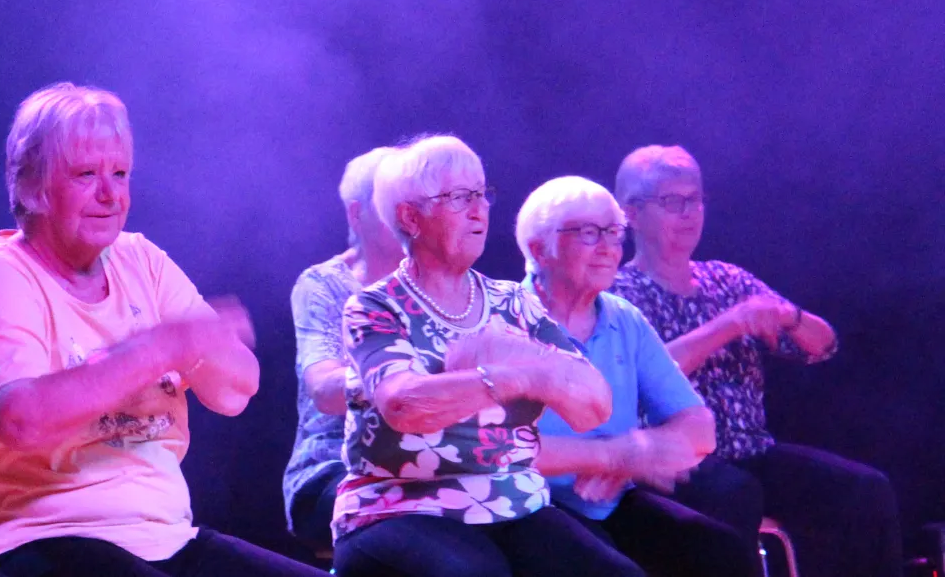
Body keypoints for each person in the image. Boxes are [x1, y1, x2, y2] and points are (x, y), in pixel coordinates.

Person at [0, 83, 323, 577]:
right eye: (86, 174)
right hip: (29, 540)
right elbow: (22, 422)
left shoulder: (141, 260)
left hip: (165, 539)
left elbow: (235, 391)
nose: (110, 194)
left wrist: (195, 347)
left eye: (119, 173)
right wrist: (161, 347)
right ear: (33, 187)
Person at [329, 136, 639, 577]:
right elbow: (403, 404)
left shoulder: (514, 303)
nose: (480, 210)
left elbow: (593, 406)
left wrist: (524, 355)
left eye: (482, 194)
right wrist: (515, 378)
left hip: (514, 503)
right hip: (399, 508)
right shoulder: (375, 306)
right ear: (410, 217)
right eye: (460, 197)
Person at [608, 145, 899, 577]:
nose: (689, 214)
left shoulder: (727, 279)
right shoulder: (618, 292)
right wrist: (727, 325)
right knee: (734, 494)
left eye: (696, 199)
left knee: (864, 490)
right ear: (631, 213)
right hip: (670, 461)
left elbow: (824, 345)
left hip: (751, 450)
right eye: (672, 201)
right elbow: (640, 379)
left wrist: (790, 317)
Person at [516, 176, 758, 577]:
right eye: (589, 233)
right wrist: (616, 455)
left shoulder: (623, 317)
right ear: (540, 249)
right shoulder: (503, 318)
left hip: (610, 499)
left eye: (614, 232)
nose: (609, 247)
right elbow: (489, 448)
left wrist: (635, 452)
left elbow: (699, 426)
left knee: (721, 552)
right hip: (528, 505)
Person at [282, 145, 400, 555]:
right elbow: (325, 391)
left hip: (426, 467)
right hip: (334, 468)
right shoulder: (324, 285)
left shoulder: (440, 284)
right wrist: (412, 379)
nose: (407, 215)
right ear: (356, 213)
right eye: (391, 202)